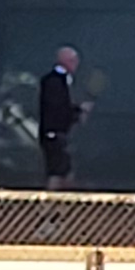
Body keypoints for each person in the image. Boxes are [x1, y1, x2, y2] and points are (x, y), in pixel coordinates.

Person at [37, 46, 82, 186]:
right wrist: (76, 113)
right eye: (73, 60)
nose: (76, 64)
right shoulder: (53, 82)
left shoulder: (67, 81)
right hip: (54, 134)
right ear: (65, 61)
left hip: (61, 134)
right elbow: (57, 108)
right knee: (57, 172)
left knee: (66, 172)